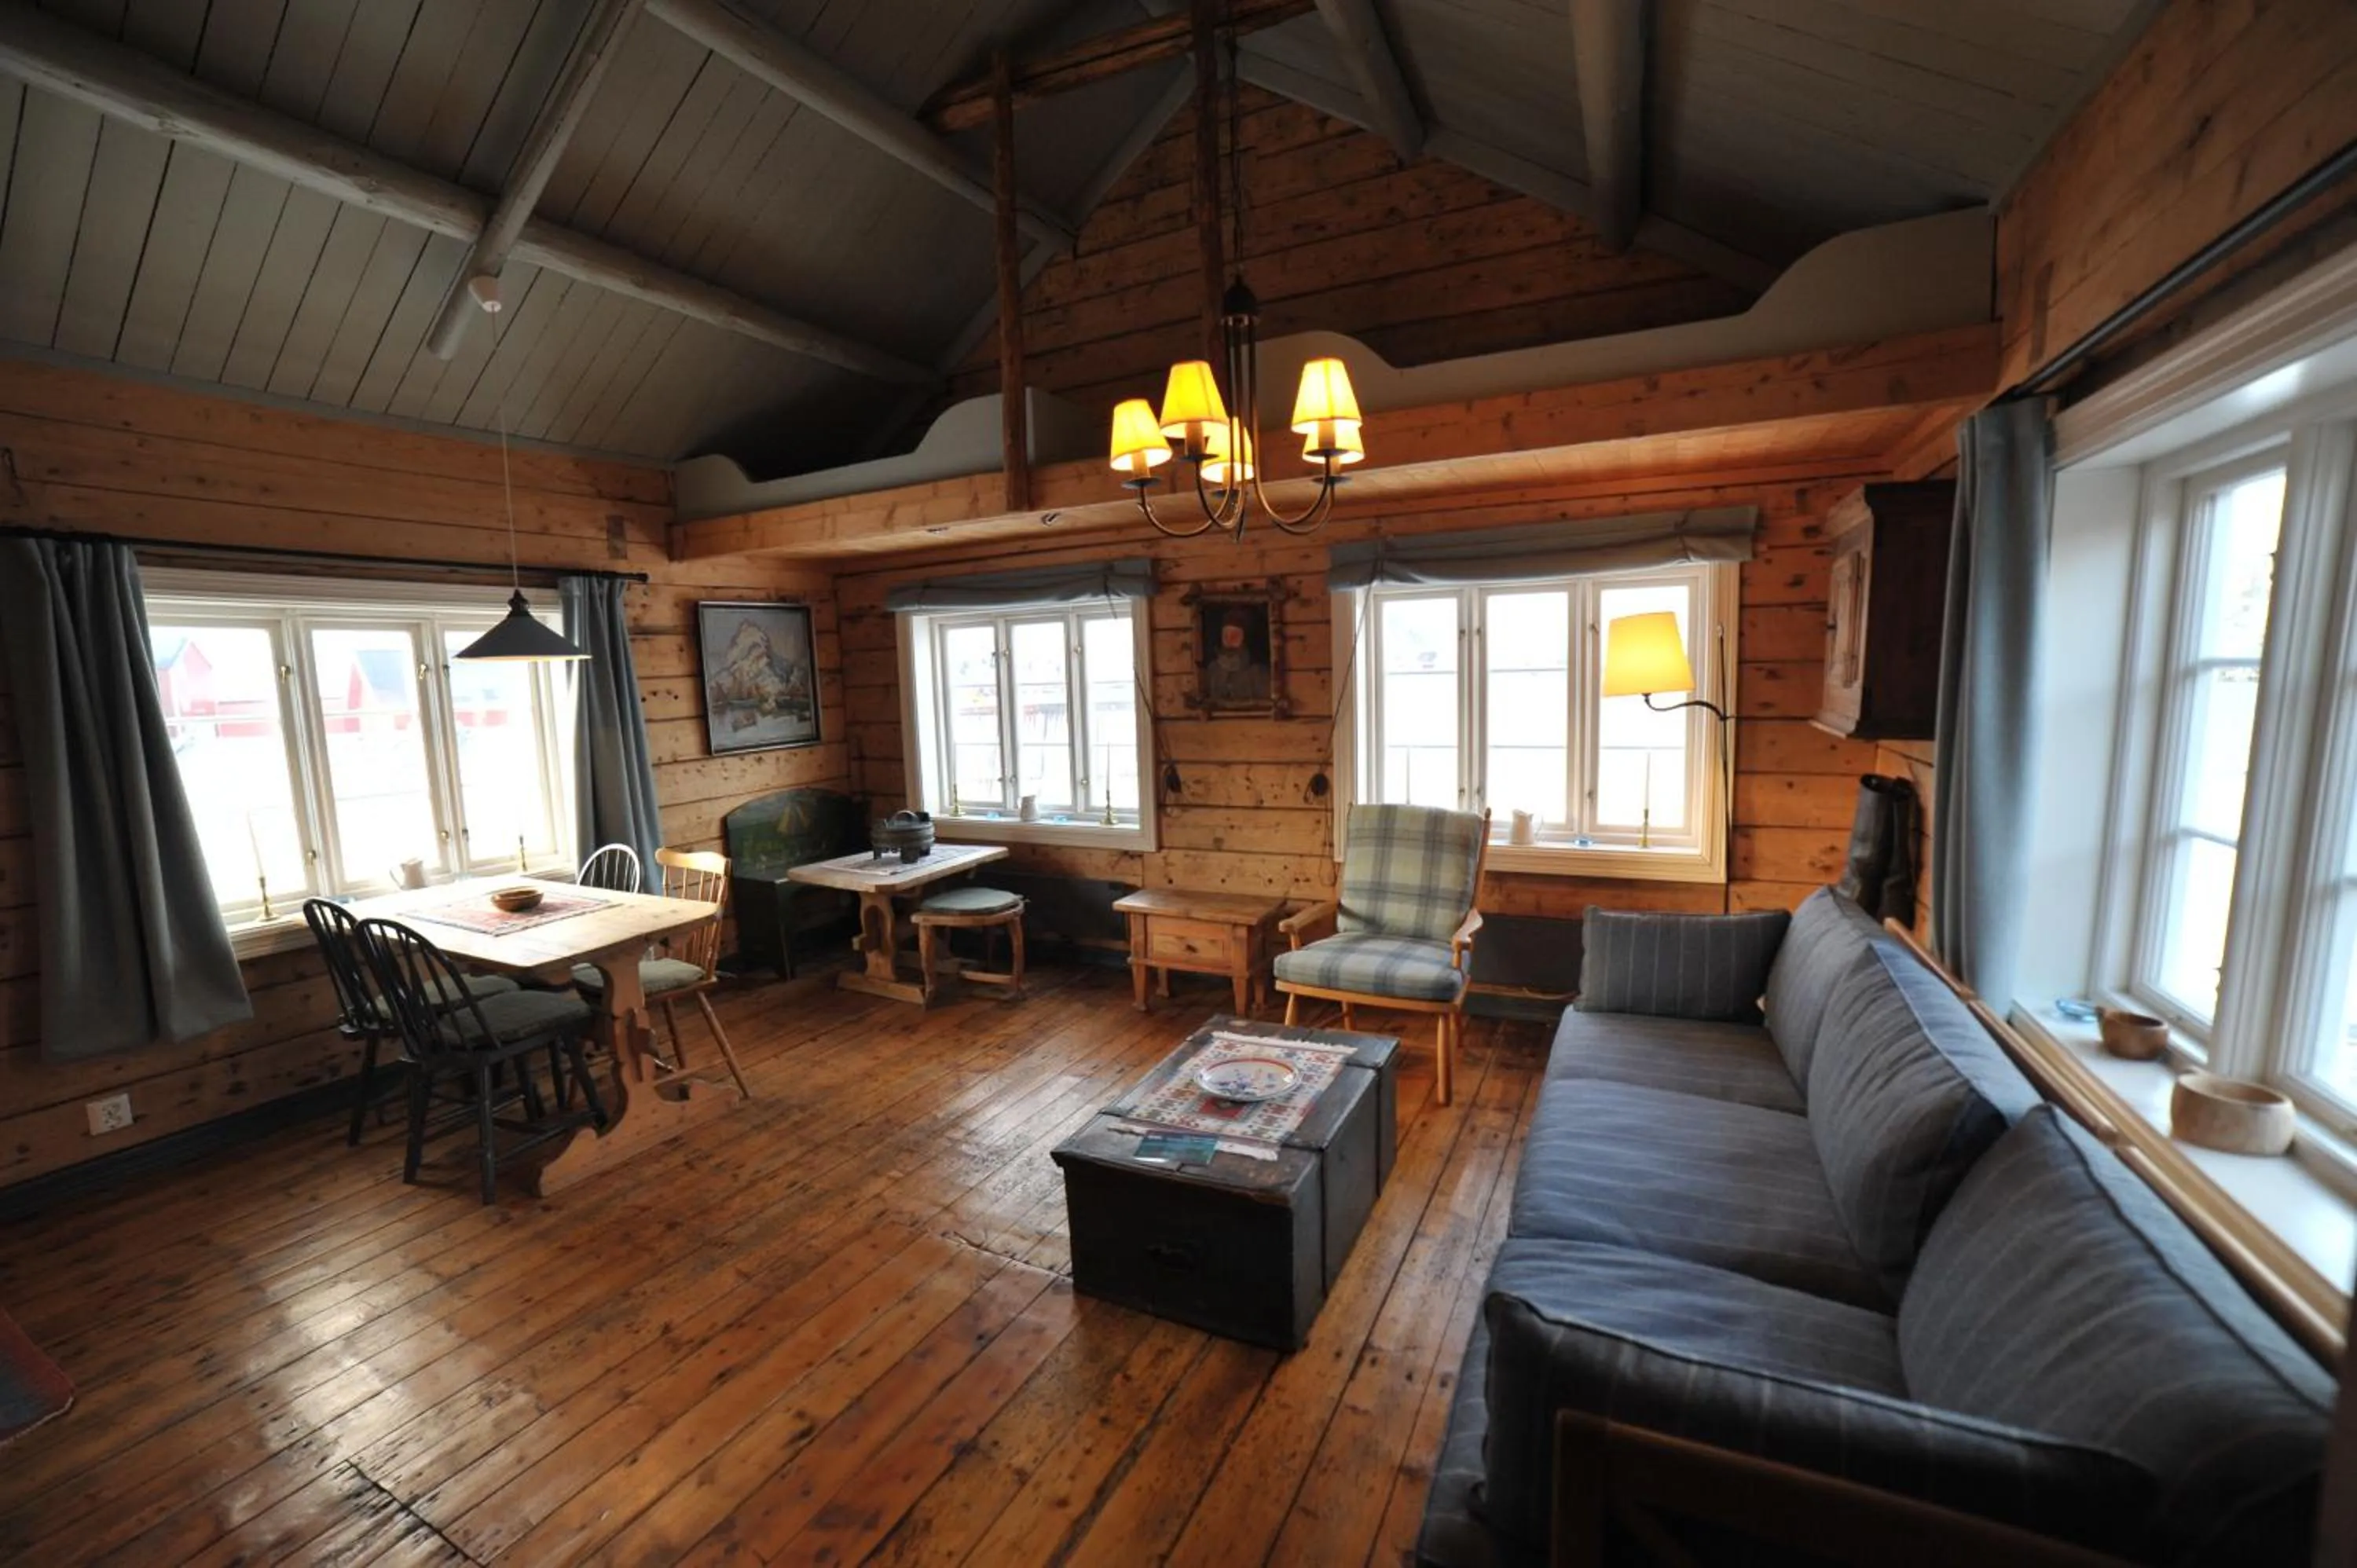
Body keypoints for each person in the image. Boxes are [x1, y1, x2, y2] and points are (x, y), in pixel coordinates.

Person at [1204, 608, 1270, 706]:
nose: (1229, 639)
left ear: (1244, 638)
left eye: (1235, 635)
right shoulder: (1213, 670)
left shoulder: (1258, 672)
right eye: (1226, 635)